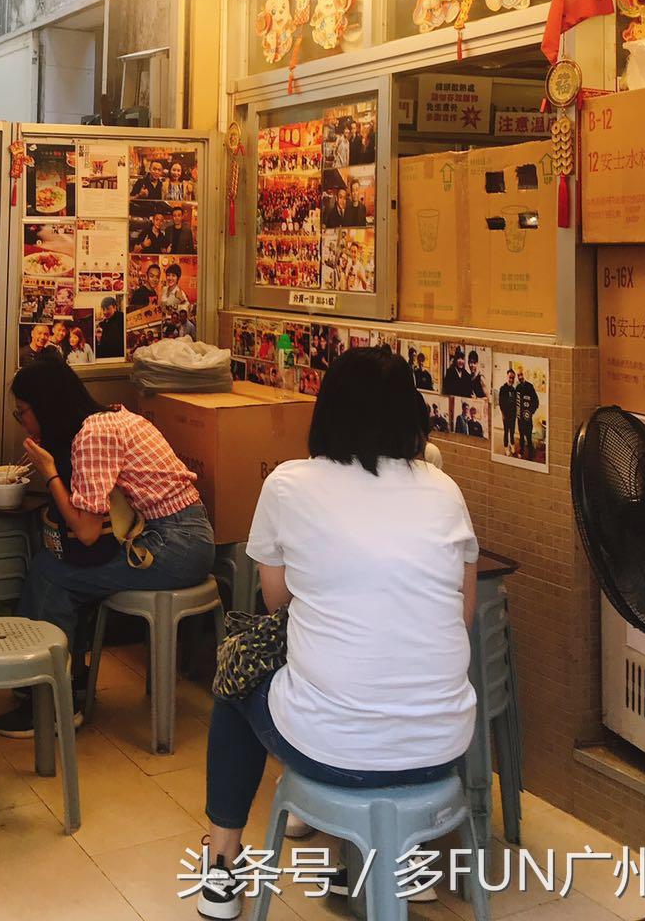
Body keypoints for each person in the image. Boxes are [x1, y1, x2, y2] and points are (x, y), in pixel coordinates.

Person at [197, 348, 477, 919]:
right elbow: (463, 614)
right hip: (442, 750)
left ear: (325, 411)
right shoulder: (445, 490)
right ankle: (400, 861)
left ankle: (222, 869)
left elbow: (278, 603)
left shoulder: (288, 483)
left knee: (237, 668)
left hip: (333, 752)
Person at [0, 356, 215, 737]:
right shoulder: (111, 417)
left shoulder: (93, 436)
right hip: (180, 534)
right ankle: (63, 685)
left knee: (53, 573)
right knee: (60, 566)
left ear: (46, 406)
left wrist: (49, 473)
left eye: (23, 412)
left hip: (175, 544)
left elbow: (86, 531)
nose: (23, 422)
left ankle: (52, 702)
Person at [515, 366, 540, 459]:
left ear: (524, 374)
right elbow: (516, 401)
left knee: (529, 437)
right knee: (521, 436)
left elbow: (536, 402)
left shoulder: (530, 387)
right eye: (518, 375)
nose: (520, 377)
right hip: (520, 418)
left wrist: (531, 412)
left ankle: (530, 454)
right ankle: (521, 451)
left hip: (528, 418)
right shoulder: (517, 387)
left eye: (521, 374)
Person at [498, 368, 518, 454]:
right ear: (507, 377)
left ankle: (512, 444)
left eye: (513, 378)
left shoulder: (514, 390)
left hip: (513, 415)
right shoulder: (502, 388)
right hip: (505, 415)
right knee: (506, 432)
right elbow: (500, 403)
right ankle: (506, 447)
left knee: (512, 432)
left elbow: (515, 403)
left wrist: (516, 414)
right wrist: (503, 414)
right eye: (510, 377)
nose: (511, 380)